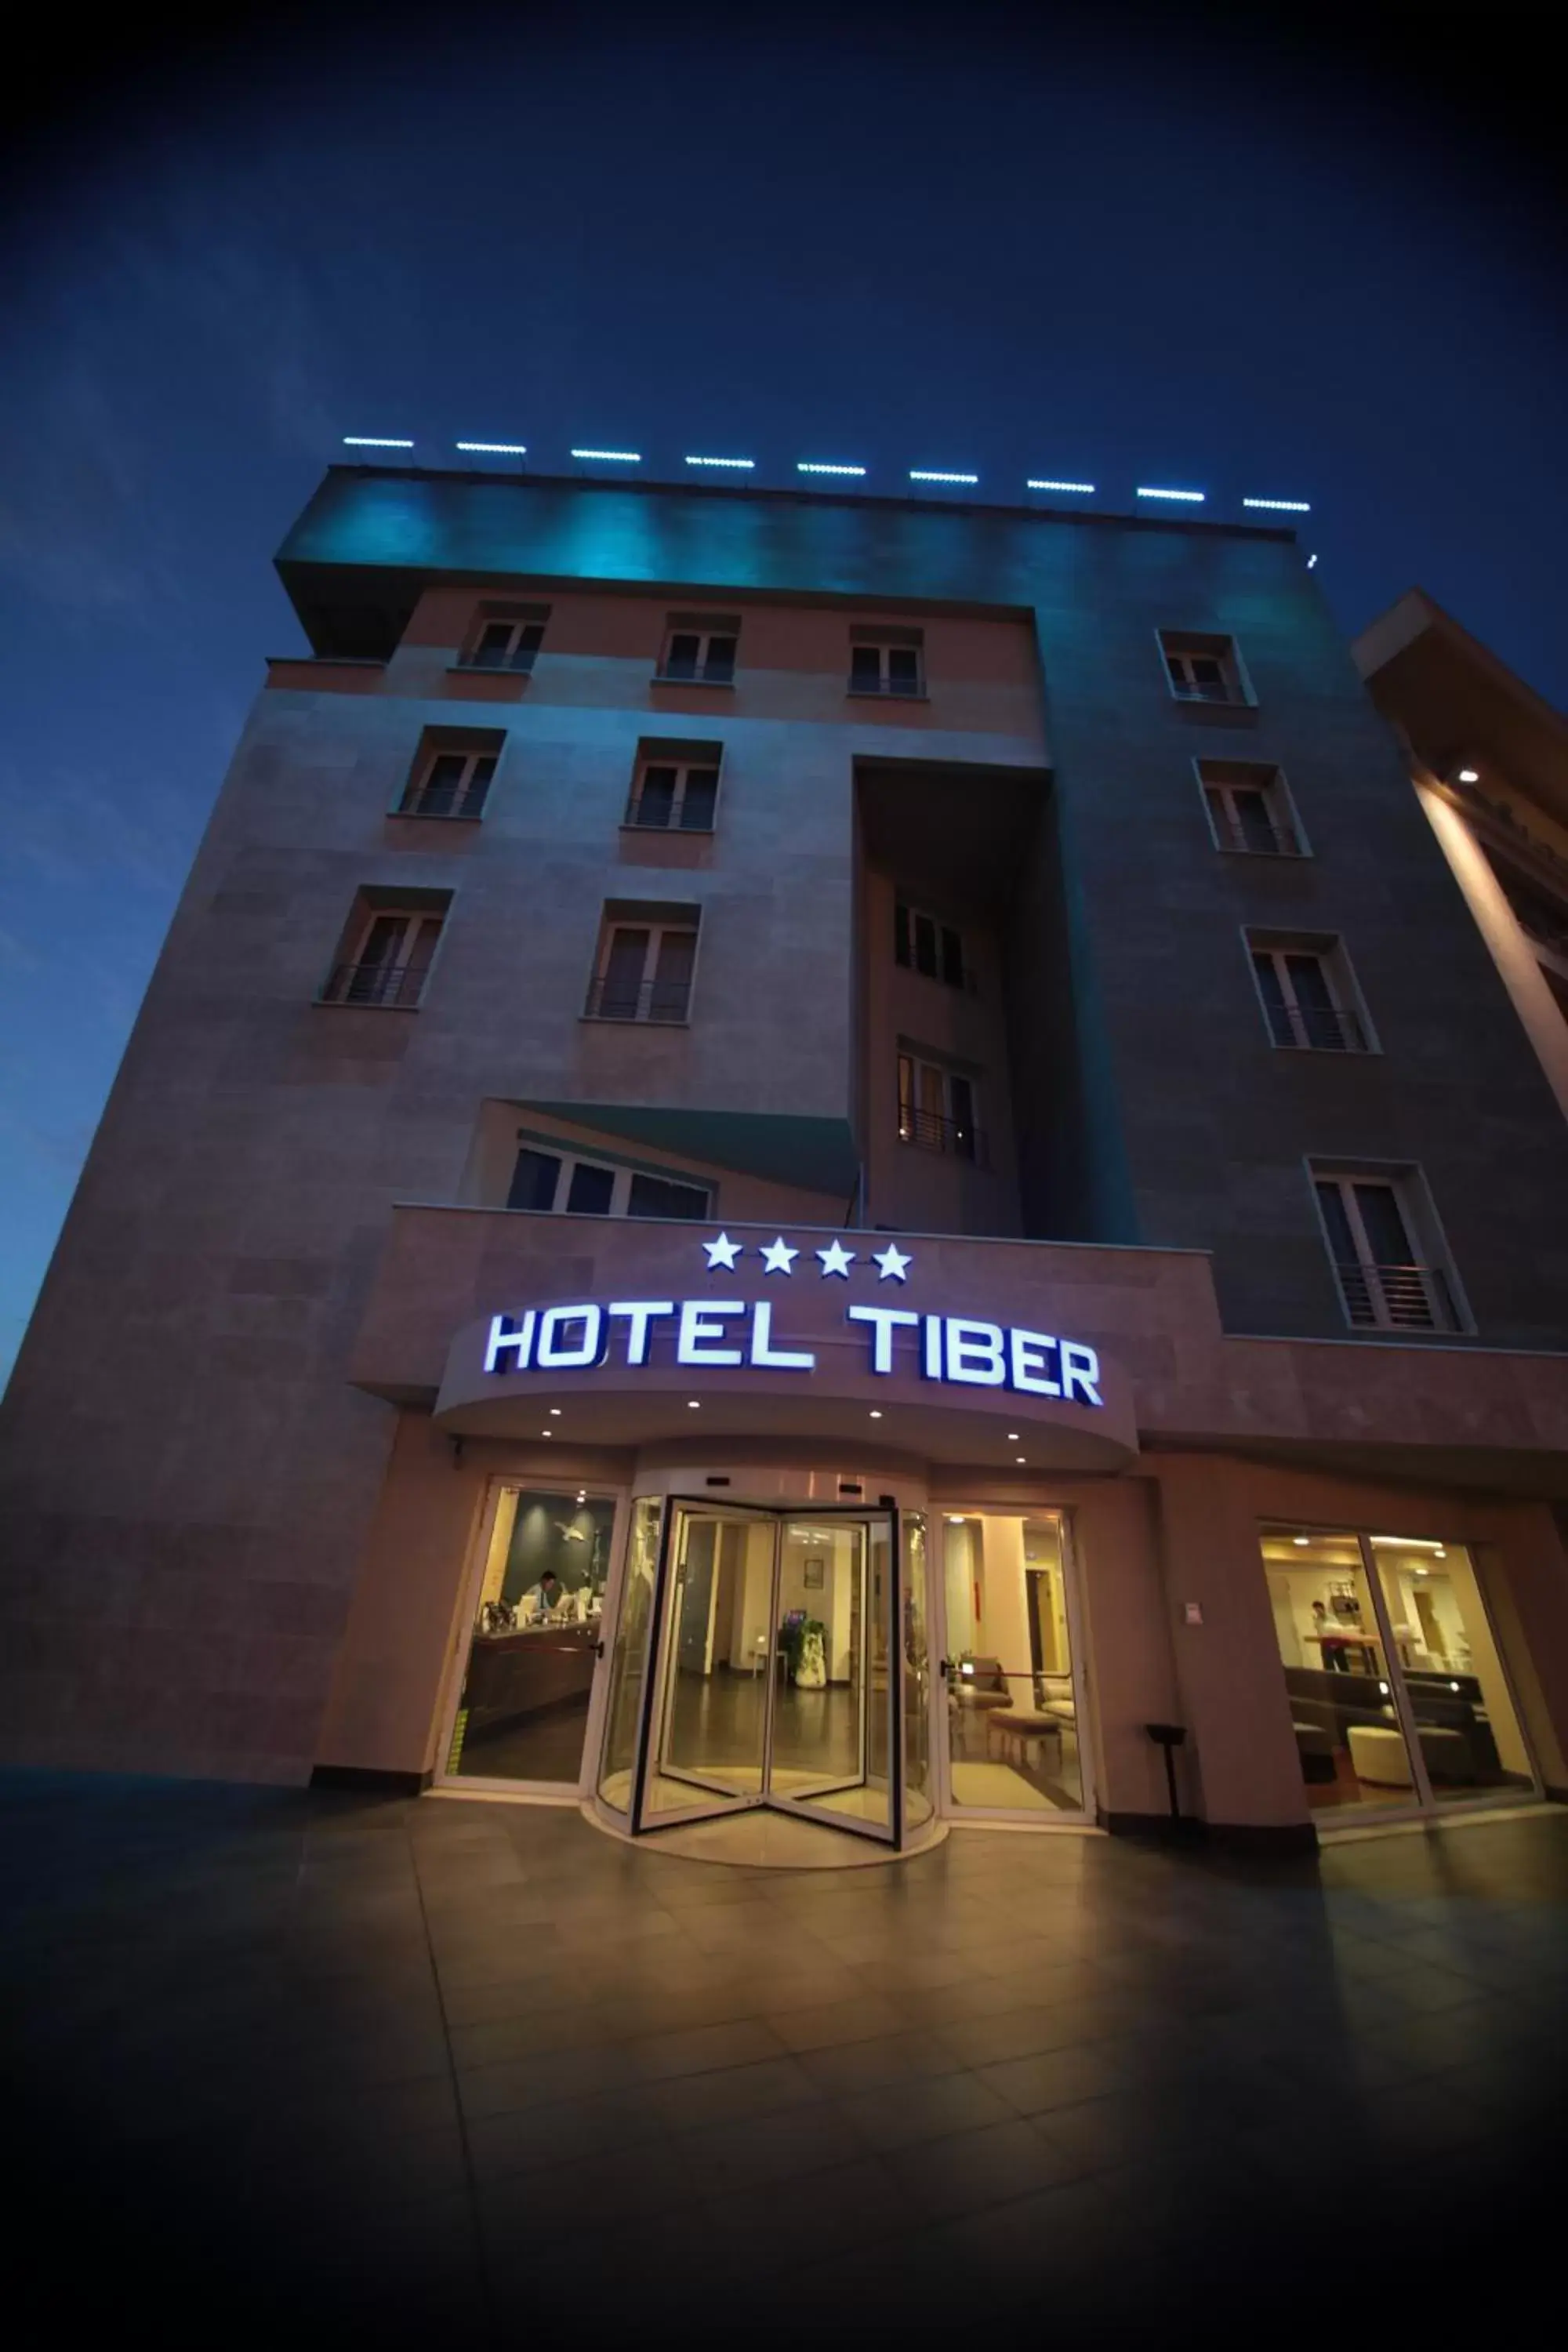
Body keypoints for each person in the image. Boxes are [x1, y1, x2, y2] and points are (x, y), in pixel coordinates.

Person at [1312, 1598, 1351, 1672]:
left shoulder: (1332, 1618)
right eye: (1316, 1610)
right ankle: (1332, 1680)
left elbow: (1339, 1630)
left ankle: (1347, 1680)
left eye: (1318, 1609)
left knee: (1343, 1665)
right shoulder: (1317, 1621)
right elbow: (1319, 1632)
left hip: (1336, 1643)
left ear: (1323, 1608)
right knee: (1328, 1666)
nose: (1318, 1612)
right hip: (1326, 1644)